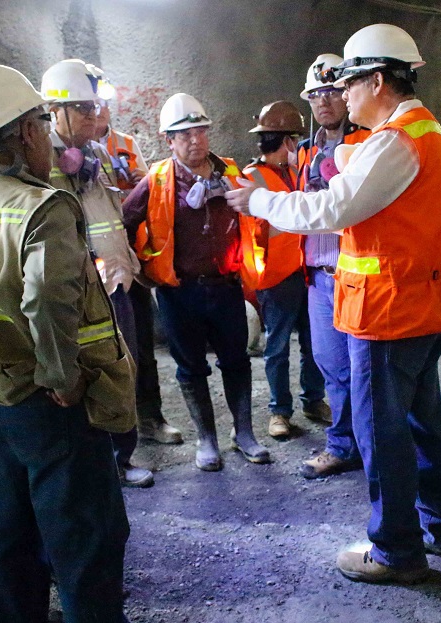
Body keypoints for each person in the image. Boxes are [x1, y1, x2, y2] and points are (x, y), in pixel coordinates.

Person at [227, 24, 441, 584]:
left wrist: (258, 200)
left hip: (389, 313)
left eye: (351, 82)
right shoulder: (430, 134)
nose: (343, 94)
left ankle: (396, 551)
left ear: (378, 80)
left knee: (383, 434)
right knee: (424, 423)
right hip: (423, 304)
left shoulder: (394, 141)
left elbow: (331, 211)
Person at [0, 64, 131, 621]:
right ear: (24, 132)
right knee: (86, 542)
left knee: (12, 542)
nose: (46, 138)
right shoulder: (44, 206)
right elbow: (47, 301)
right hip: (54, 404)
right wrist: (63, 378)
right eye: (41, 127)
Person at [123, 93, 270, 471]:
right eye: (184, 134)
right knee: (190, 368)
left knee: (236, 360)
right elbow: (124, 221)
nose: (195, 140)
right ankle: (207, 440)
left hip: (225, 286)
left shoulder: (231, 173)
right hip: (178, 291)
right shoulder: (157, 180)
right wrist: (140, 269)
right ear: (168, 141)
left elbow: (259, 216)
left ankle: (244, 433)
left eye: (200, 131)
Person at [40, 58, 154, 488]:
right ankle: (101, 463)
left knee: (123, 369)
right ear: (56, 112)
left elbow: (112, 213)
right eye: (84, 108)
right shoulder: (45, 162)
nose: (96, 115)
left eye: (96, 106)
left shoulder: (93, 153)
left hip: (117, 281)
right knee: (93, 374)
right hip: (82, 291)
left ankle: (121, 458)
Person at [86, 67, 183, 446]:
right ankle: (114, 433)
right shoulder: (67, 153)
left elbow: (149, 195)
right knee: (106, 352)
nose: (101, 111)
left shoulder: (124, 143)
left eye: (103, 104)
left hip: (131, 260)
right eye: (93, 105)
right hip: (97, 271)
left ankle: (150, 418)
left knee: (142, 344)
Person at [295, 53, 371, 480]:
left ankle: (371, 443)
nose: (324, 101)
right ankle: (343, 445)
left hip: (355, 272)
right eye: (316, 94)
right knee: (332, 366)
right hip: (318, 277)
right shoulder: (305, 153)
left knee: (365, 369)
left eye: (332, 91)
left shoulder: (369, 143)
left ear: (347, 94)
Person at [241, 101, 328, 440]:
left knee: (313, 343)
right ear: (287, 141)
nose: (298, 147)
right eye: (294, 140)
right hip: (276, 278)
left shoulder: (298, 173)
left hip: (305, 273)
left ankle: (313, 400)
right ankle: (279, 412)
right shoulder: (252, 179)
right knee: (277, 348)